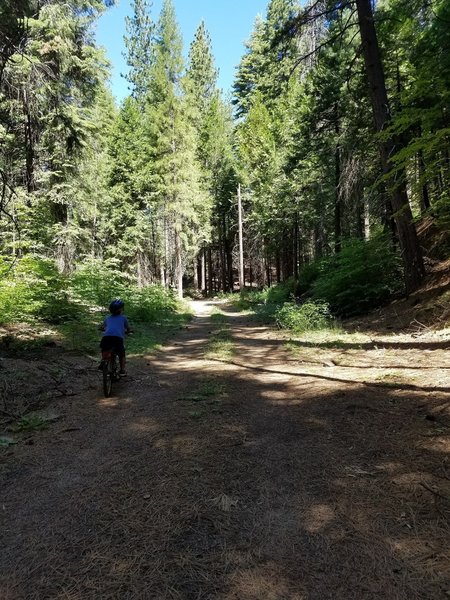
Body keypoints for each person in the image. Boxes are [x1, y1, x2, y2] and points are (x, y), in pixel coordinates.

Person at [99, 298, 131, 376]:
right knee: (121, 354)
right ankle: (122, 370)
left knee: (105, 349)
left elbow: (103, 327)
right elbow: (128, 328)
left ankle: (104, 360)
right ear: (121, 309)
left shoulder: (107, 318)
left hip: (106, 337)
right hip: (118, 338)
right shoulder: (123, 318)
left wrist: (103, 329)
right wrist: (129, 331)